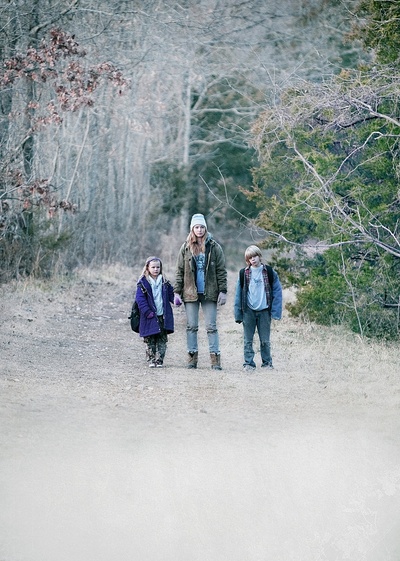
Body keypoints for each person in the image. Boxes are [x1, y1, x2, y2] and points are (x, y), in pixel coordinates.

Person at [174, 213, 227, 370]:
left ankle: (215, 360)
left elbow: (221, 270)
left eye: (202, 227)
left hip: (210, 292)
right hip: (190, 292)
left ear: (205, 228)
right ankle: (192, 358)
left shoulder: (214, 247)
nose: (199, 230)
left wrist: (223, 291)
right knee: (191, 326)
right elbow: (180, 271)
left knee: (211, 326)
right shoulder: (185, 247)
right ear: (192, 229)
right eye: (196, 227)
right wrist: (177, 292)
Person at [234, 245, 282, 371]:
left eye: (255, 256)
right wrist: (238, 314)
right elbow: (238, 294)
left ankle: (267, 363)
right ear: (247, 260)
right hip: (248, 311)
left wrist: (275, 311)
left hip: (264, 310)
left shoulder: (269, 272)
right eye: (250, 258)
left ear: (259, 256)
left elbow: (277, 292)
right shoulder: (244, 274)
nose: (253, 259)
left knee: (265, 340)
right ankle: (248, 363)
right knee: (247, 340)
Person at [135, 256, 174, 368]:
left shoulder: (165, 282)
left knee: (162, 339)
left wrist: (176, 299)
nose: (156, 269)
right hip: (149, 316)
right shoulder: (143, 283)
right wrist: (147, 312)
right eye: (153, 267)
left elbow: (171, 295)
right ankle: (151, 360)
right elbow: (140, 299)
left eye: (158, 267)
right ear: (147, 268)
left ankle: (160, 360)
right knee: (150, 339)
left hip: (162, 315)